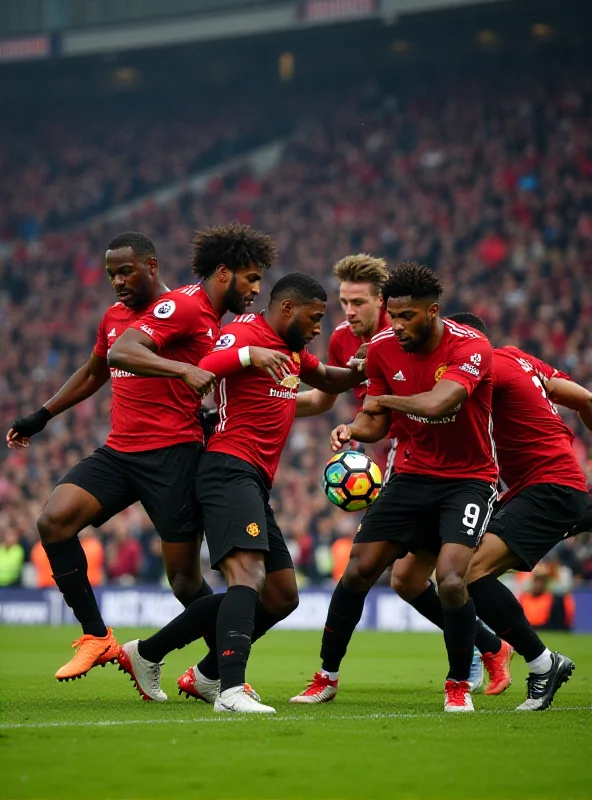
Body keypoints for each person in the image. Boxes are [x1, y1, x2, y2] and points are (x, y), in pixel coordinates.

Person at [5, 225, 275, 681]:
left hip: (174, 457)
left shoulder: (187, 309)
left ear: (151, 267)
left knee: (185, 582)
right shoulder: (115, 315)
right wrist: (43, 414)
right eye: (111, 274)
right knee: (53, 521)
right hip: (120, 452)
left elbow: (136, 355)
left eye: (125, 272)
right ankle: (96, 635)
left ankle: (219, 671)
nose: (117, 282)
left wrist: (190, 380)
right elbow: (99, 369)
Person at [117, 273, 367, 713]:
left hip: (252, 479)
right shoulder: (242, 331)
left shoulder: (295, 351)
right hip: (226, 468)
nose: (316, 329)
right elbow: (203, 371)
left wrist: (365, 365)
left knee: (282, 594)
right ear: (288, 308)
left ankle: (166, 658)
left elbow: (329, 379)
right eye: (314, 319)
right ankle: (230, 690)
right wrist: (250, 356)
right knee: (247, 576)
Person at [291, 262, 498, 712]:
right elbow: (375, 418)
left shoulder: (472, 346)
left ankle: (459, 684)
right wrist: (353, 428)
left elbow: (443, 400)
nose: (398, 326)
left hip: (468, 479)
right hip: (411, 473)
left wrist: (383, 400)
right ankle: (325, 677)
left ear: (434, 312)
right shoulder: (382, 349)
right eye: (395, 315)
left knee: (449, 579)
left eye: (408, 317)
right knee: (359, 568)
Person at [390, 312, 588, 709]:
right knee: (461, 571)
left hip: (546, 487)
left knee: (466, 573)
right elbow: (584, 399)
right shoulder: (517, 357)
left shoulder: (480, 370)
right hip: (553, 484)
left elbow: (432, 407)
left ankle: (542, 662)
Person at [295, 253, 398, 473]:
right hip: (377, 445)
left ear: (381, 300)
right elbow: (320, 399)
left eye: (358, 303)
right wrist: (266, 403)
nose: (349, 312)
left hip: (421, 446)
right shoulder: (341, 338)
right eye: (345, 302)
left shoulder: (402, 336)